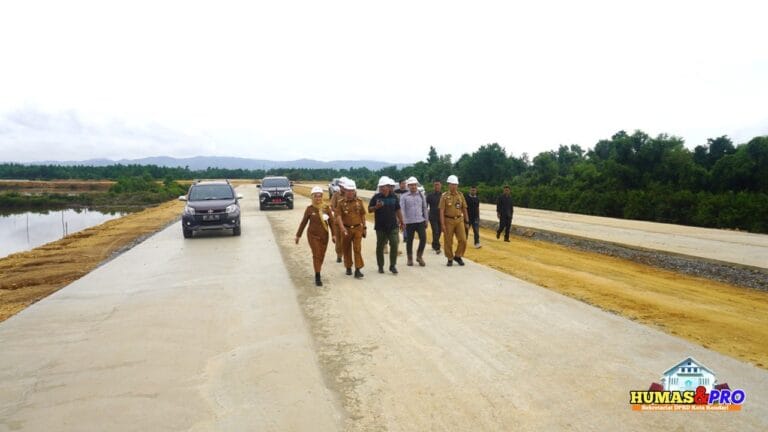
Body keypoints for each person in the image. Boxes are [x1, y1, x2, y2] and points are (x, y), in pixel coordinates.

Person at [295, 186, 335, 286]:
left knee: (321, 255)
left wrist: (334, 235)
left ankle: (318, 269)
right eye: (316, 196)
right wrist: (298, 235)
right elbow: (303, 223)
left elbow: (332, 223)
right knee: (316, 254)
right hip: (312, 236)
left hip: (324, 236)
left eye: (320, 196)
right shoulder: (309, 209)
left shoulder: (326, 208)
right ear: (312, 197)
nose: (318, 198)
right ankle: (317, 276)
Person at [368, 176, 404, 274]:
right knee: (380, 246)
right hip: (380, 227)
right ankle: (380, 266)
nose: (383, 188)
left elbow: (398, 209)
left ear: (388, 187)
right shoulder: (376, 197)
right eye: (381, 187)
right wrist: (376, 207)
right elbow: (369, 210)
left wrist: (402, 221)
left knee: (394, 244)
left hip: (393, 226)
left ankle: (392, 265)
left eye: (385, 186)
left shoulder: (394, 197)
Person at [335, 179, 367, 278]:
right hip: (346, 229)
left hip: (358, 228)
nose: (350, 192)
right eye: (348, 190)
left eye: (352, 190)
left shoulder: (359, 202)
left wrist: (364, 227)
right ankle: (348, 267)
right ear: (345, 191)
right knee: (346, 249)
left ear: (354, 191)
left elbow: (362, 215)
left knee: (357, 249)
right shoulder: (340, 203)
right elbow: (338, 216)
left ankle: (358, 269)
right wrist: (342, 228)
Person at [439, 175, 469, 266]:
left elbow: (464, 208)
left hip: (459, 220)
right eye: (452, 184)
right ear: (449, 185)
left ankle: (458, 256)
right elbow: (441, 210)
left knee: (463, 240)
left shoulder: (460, 195)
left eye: (455, 184)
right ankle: (450, 258)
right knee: (448, 240)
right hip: (448, 220)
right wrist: (442, 224)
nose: (454, 186)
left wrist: (467, 221)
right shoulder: (444, 196)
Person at [400, 176, 428, 267]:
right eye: (411, 185)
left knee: (423, 238)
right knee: (409, 240)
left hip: (420, 221)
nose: (413, 187)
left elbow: (424, 208)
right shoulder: (404, 196)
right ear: (408, 186)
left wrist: (426, 220)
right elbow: (402, 210)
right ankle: (409, 258)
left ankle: (419, 256)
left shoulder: (421, 195)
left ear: (417, 185)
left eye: (415, 185)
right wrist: (402, 222)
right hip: (409, 222)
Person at [329, 177, 348, 263]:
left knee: (346, 239)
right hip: (337, 220)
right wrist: (339, 212)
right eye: (342, 186)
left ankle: (346, 255)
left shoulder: (350, 194)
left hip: (347, 221)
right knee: (339, 239)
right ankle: (339, 255)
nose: (344, 188)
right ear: (340, 186)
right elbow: (332, 206)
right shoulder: (336, 195)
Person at [426, 180, 443, 254]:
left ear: (440, 185)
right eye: (435, 185)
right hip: (432, 216)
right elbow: (425, 207)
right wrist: (425, 216)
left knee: (439, 232)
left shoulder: (443, 195)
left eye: (438, 185)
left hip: (441, 217)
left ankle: (434, 244)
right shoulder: (430, 195)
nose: (437, 186)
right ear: (433, 186)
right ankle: (437, 247)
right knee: (435, 231)